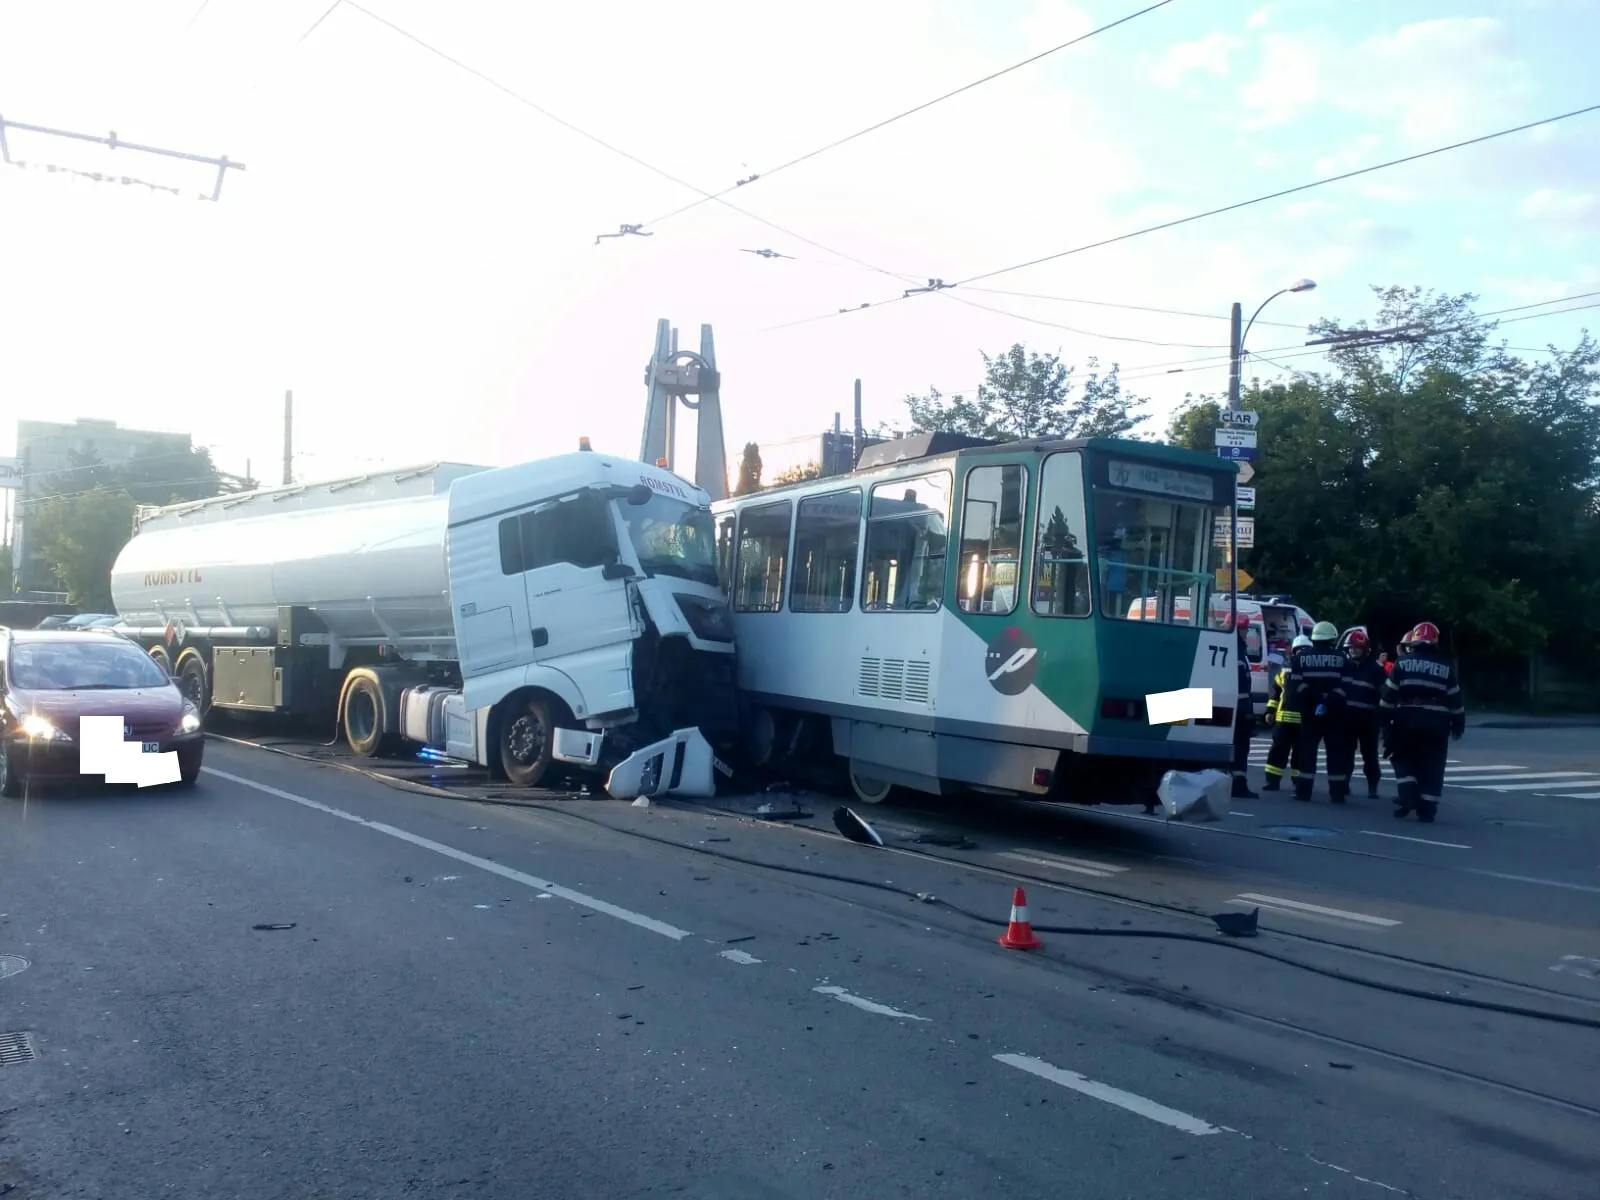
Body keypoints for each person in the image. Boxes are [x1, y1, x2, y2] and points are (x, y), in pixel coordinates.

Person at [1379, 621, 1465, 823]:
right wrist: (1458, 722)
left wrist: (1384, 721)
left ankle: (1408, 793)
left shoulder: (1402, 663)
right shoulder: (1446, 667)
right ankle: (1427, 808)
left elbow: (1389, 696)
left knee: (1402, 757)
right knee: (1433, 764)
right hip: (1437, 723)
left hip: (1406, 720)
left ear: (1414, 642)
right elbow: (1455, 698)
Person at [1286, 620, 1349, 802]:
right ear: (1332, 639)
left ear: (1314, 639)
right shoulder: (1342, 659)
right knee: (1336, 754)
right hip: (1334, 713)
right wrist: (1327, 700)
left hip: (1309, 712)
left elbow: (1295, 686)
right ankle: (1337, 794)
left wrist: (1315, 699)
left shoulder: (1300, 659)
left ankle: (1303, 792)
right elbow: (1346, 685)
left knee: (1307, 753)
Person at [1329, 628, 1386, 799]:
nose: (1353, 651)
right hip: (1347, 719)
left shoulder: (1376, 670)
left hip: (1369, 720)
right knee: (1346, 754)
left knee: (1370, 756)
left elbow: (1384, 694)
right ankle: (1344, 784)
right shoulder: (1344, 667)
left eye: (1357, 648)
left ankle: (1372, 787)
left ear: (1365, 649)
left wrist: (1382, 717)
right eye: (1351, 648)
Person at [1261, 633, 1312, 791]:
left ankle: (1298, 783)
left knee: (1300, 755)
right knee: (1278, 752)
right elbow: (1276, 693)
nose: (1301, 653)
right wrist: (1270, 711)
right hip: (1284, 720)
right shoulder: (1285, 670)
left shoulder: (1311, 671)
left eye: (1305, 650)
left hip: (1302, 721)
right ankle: (1272, 781)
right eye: (1300, 650)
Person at [1223, 613, 1257, 800]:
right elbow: (1239, 684)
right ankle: (1238, 785)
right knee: (1240, 747)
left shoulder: (1235, 649)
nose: (1246, 633)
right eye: (1244, 629)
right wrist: (1246, 709)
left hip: (1236, 706)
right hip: (1238, 707)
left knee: (1237, 746)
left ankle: (1235, 783)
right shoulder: (1236, 650)